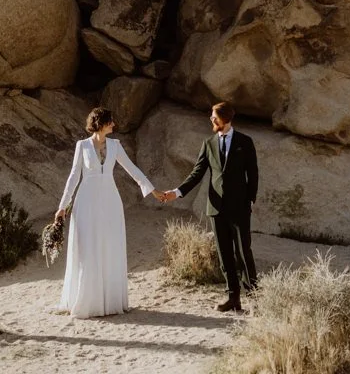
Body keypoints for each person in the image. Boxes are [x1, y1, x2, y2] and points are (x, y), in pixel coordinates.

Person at [53, 106, 157, 318]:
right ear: (100, 123)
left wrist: (152, 190)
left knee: (109, 246)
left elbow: (132, 169)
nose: (114, 125)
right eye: (110, 121)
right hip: (86, 202)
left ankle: (109, 302)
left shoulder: (115, 146)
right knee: (87, 248)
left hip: (110, 201)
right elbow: (74, 177)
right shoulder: (81, 146)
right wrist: (63, 206)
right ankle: (86, 301)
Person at [155, 102, 259, 312]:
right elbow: (197, 173)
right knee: (224, 255)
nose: (211, 120)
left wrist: (250, 201)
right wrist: (176, 192)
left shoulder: (245, 142)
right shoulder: (209, 143)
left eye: (214, 117)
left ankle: (255, 298)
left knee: (243, 252)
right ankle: (233, 299)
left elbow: (253, 174)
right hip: (216, 208)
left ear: (225, 118)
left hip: (239, 208)